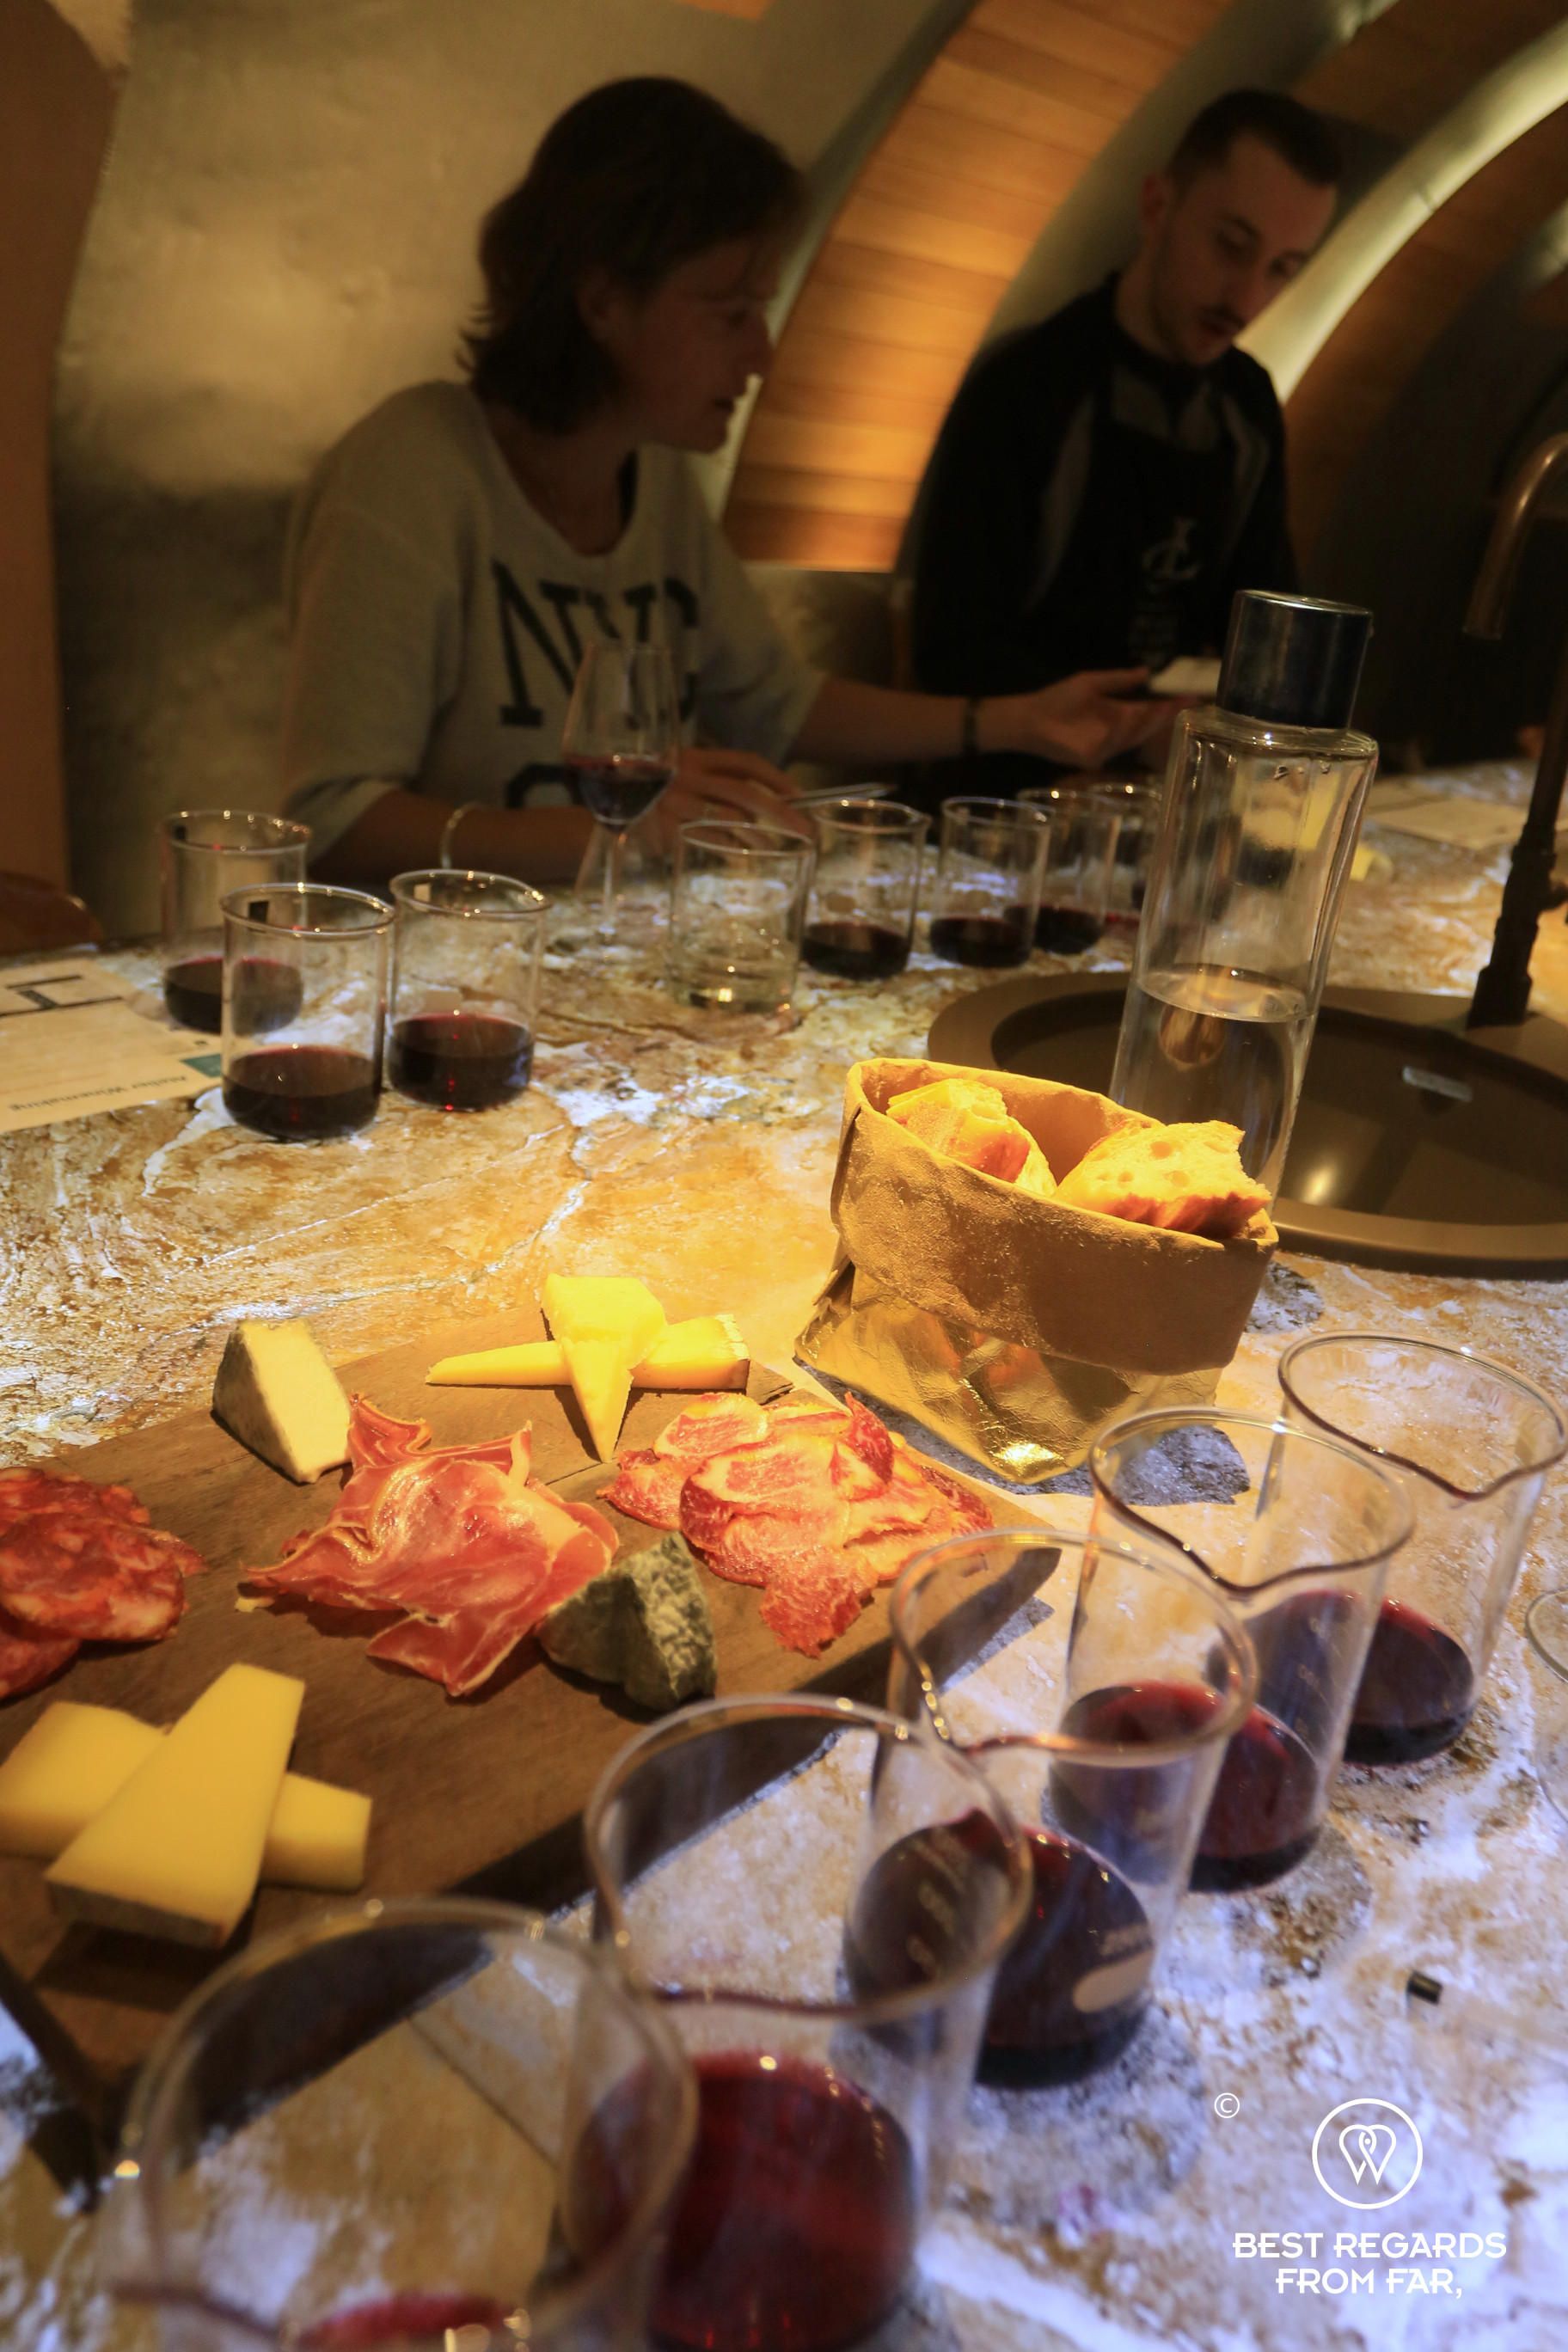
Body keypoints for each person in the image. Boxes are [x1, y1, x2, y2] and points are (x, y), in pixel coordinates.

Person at [283, 79, 1168, 893]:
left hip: (609, 961)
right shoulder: (411, 470)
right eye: (731, 314)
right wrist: (615, 834)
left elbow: (778, 705)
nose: (762, 355)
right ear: (602, 301)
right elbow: (332, 823)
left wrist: (1019, 721)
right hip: (442, 988)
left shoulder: (658, 480)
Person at [912, 90, 1343, 787]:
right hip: (1003, 798)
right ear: (1156, 206)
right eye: (1231, 246)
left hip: (1155, 792)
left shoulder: (1248, 408)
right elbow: (951, 656)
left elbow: (1269, 644)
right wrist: (1132, 737)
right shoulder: (1031, 385)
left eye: (1280, 269)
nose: (1246, 297)